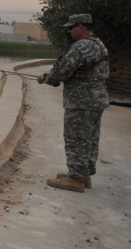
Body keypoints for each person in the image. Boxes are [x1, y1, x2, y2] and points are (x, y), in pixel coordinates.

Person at [36, 13, 110, 192]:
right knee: (90, 138)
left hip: (81, 101)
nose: (69, 31)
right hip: (96, 99)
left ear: (81, 27)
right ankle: (83, 175)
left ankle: (75, 179)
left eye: (71, 27)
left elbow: (62, 71)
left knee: (76, 138)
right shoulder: (98, 43)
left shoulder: (81, 46)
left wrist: (46, 78)